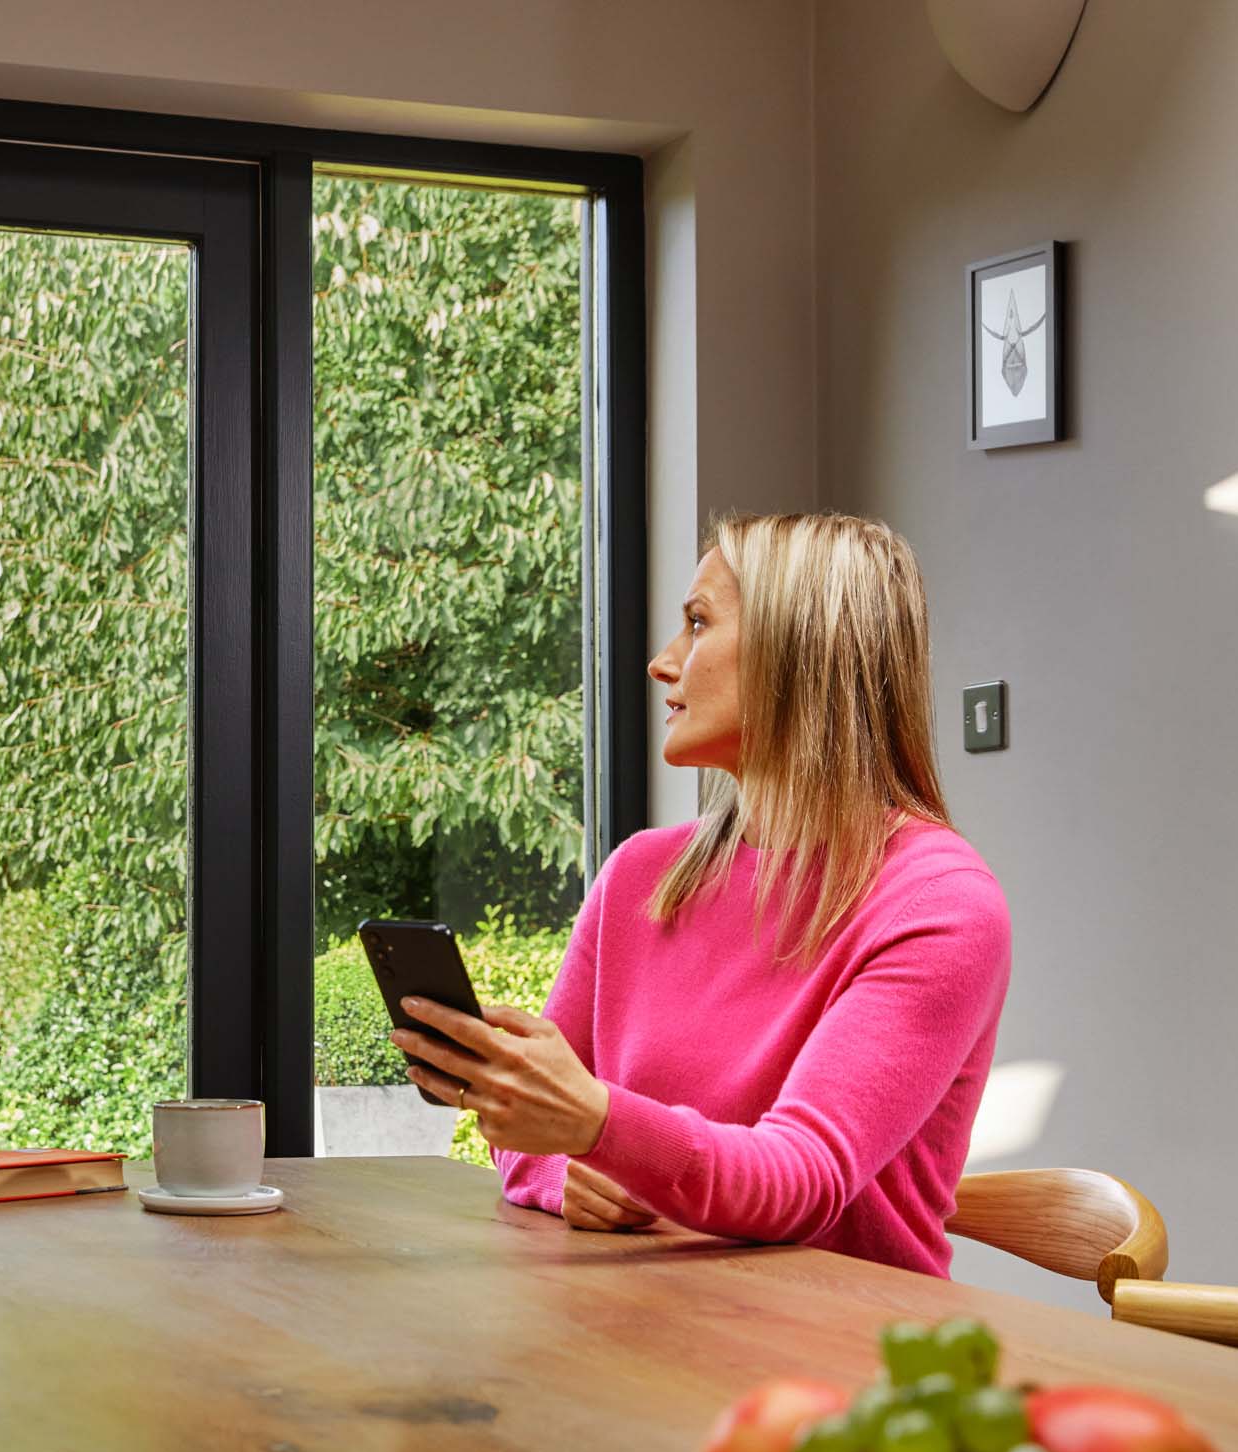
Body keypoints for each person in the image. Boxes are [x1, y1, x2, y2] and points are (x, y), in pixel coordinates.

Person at [391, 512, 1010, 1277]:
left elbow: (803, 1179)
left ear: (800, 649)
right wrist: (568, 1177)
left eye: (696, 623)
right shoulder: (638, 876)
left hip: (842, 1356)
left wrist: (599, 1127)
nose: (661, 662)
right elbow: (531, 1137)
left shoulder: (938, 903)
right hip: (643, 1327)